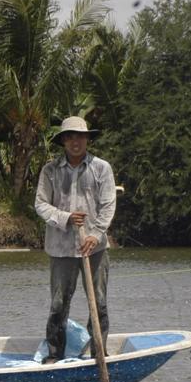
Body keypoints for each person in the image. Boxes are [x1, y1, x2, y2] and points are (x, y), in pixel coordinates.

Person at [35, 116, 117, 364]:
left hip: (95, 248)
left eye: (79, 136)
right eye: (69, 137)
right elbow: (40, 204)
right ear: (63, 141)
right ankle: (54, 354)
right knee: (59, 304)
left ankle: (99, 352)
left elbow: (108, 205)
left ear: (87, 139)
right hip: (61, 249)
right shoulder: (50, 170)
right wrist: (66, 217)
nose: (75, 141)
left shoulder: (101, 168)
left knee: (99, 303)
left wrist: (95, 234)